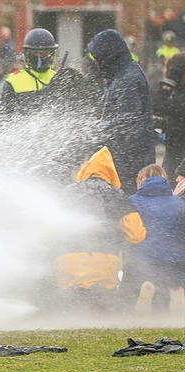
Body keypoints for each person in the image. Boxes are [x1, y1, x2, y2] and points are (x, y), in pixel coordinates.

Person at [54, 146, 146, 309]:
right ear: (111, 172)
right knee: (102, 309)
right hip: (105, 263)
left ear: (84, 170)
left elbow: (49, 227)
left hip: (70, 263)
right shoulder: (116, 195)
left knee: (71, 309)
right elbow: (136, 235)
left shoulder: (66, 193)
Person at [88, 29, 156, 195]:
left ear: (108, 56)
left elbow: (128, 121)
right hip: (124, 160)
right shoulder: (121, 75)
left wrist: (96, 129)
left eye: (97, 57)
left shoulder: (127, 79)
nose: (95, 61)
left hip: (130, 164)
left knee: (126, 213)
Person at [126, 165, 185, 314]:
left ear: (140, 182)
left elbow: (130, 231)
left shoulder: (133, 201)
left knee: (134, 279)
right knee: (173, 284)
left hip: (146, 261)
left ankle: (144, 295)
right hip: (176, 261)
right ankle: (176, 292)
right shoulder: (178, 203)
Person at [0, 28, 58, 118]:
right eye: (36, 54)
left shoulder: (59, 78)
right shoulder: (14, 81)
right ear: (27, 54)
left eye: (44, 53)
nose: (40, 57)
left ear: (51, 54)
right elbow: (4, 117)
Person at [154, 54, 185, 185]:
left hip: (178, 166)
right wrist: (166, 125)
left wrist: (170, 80)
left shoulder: (181, 96)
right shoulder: (180, 95)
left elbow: (157, 105)